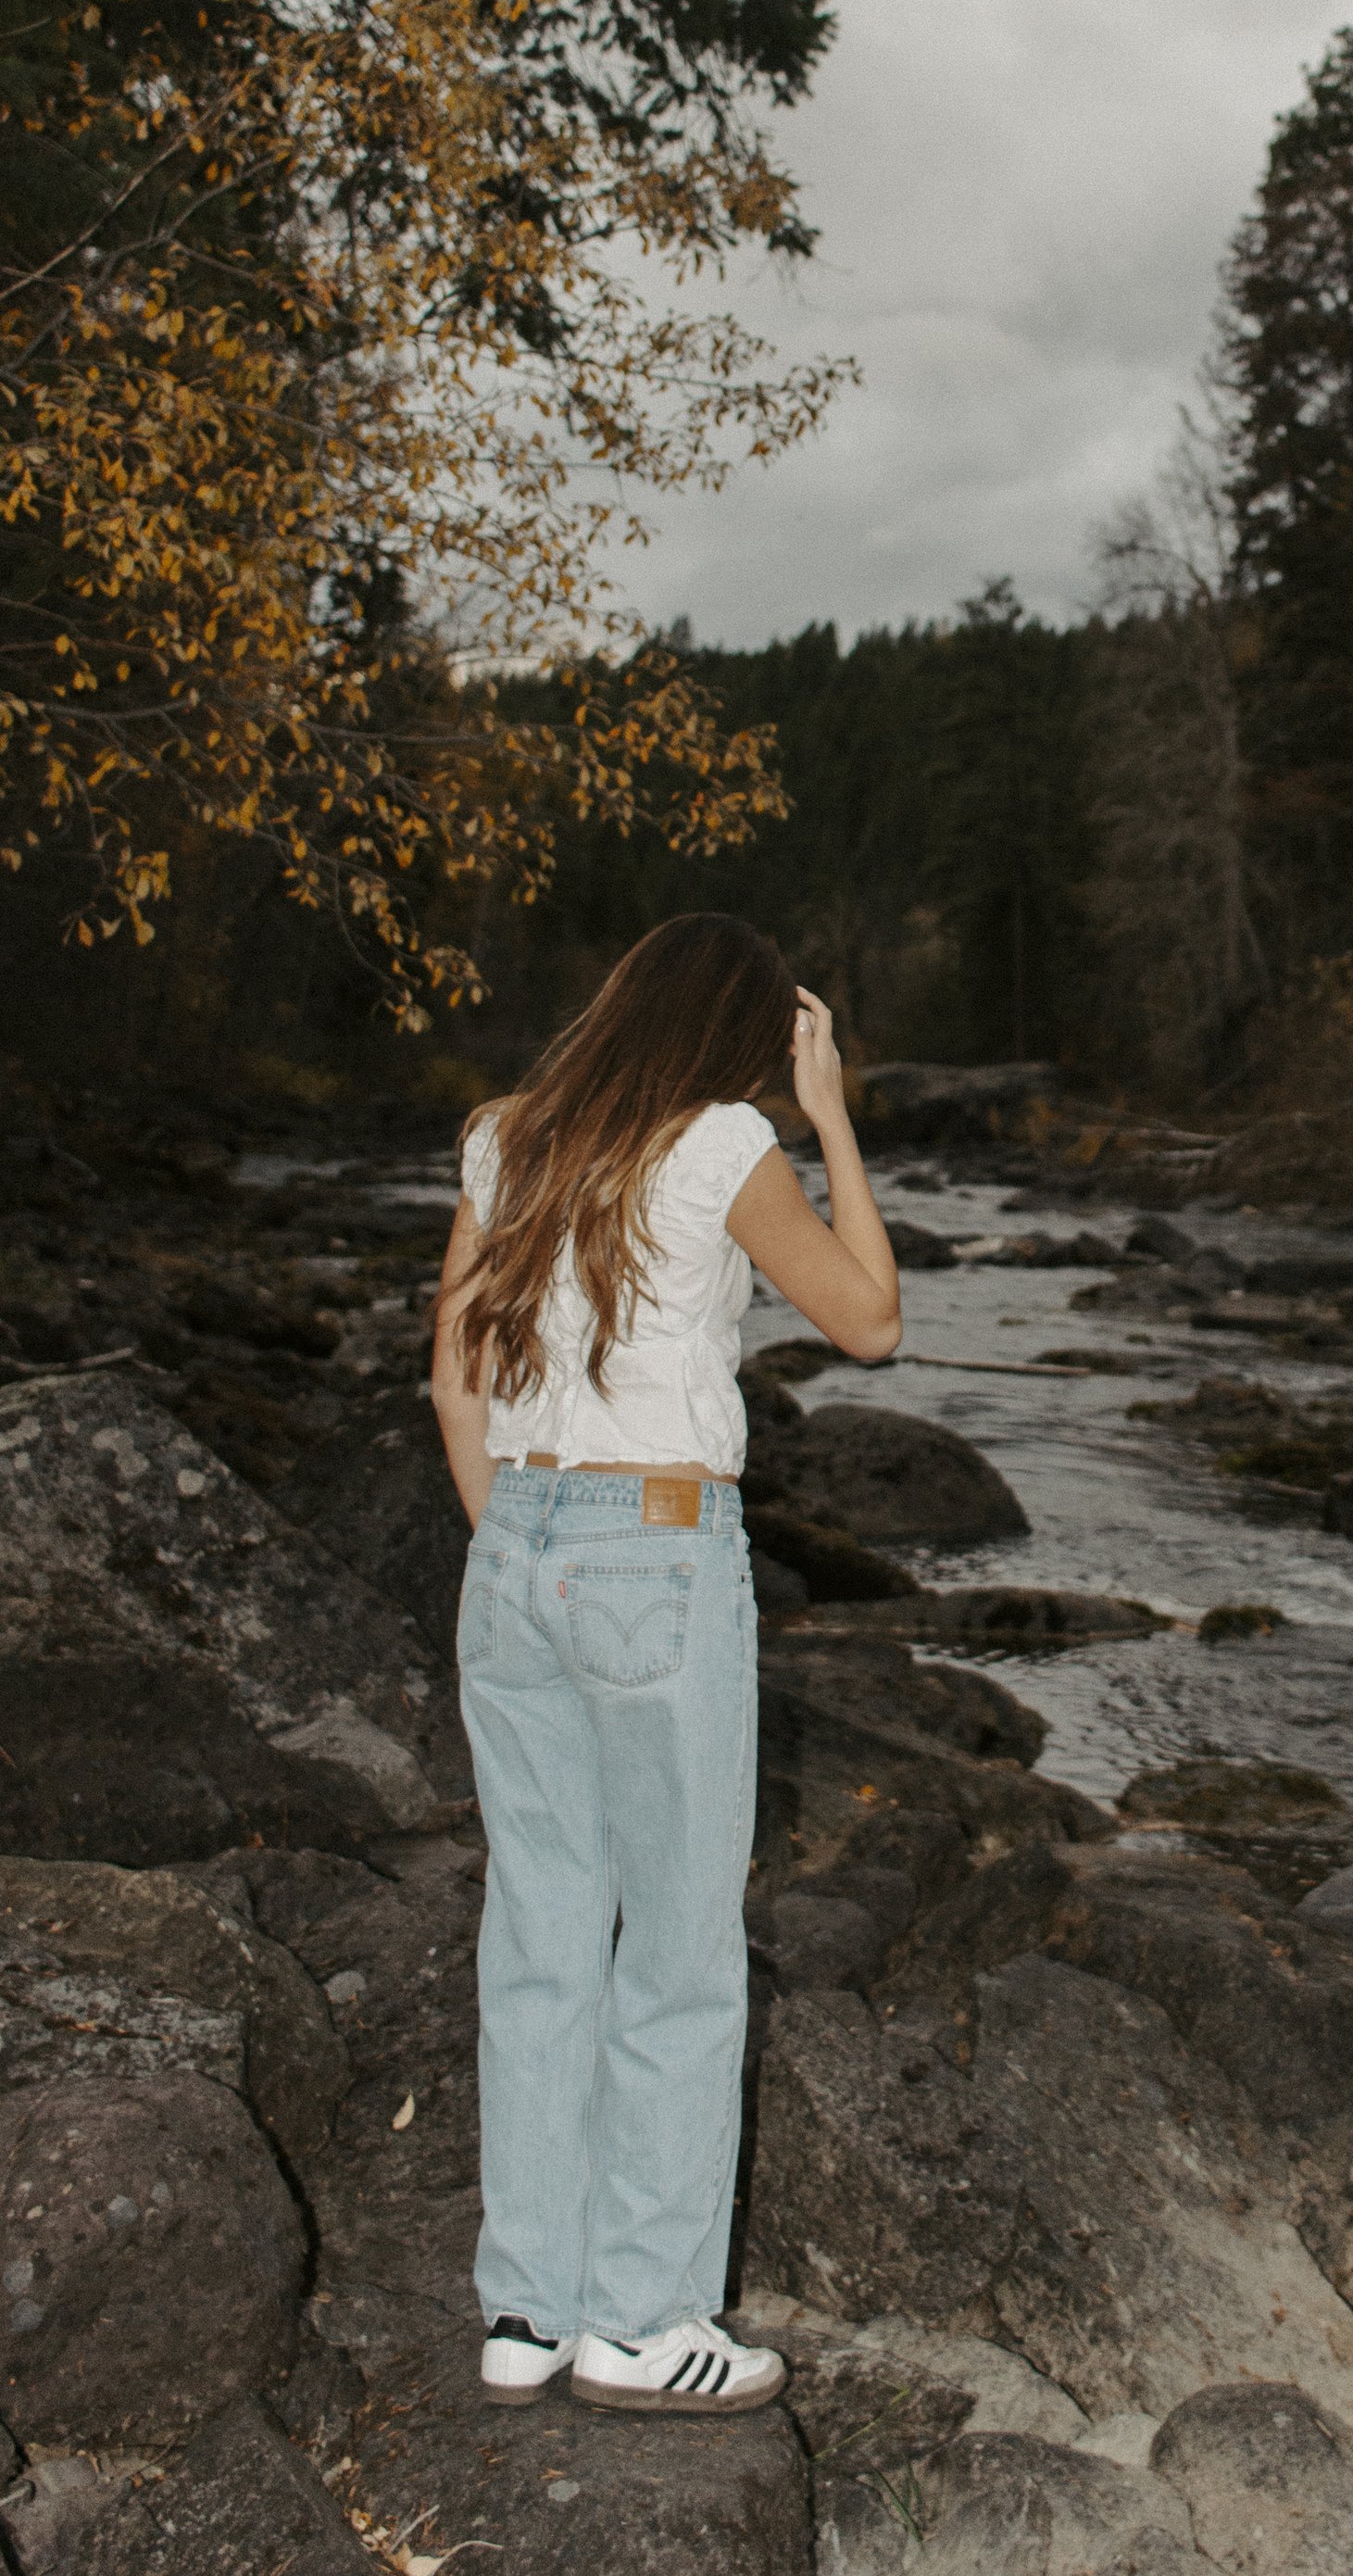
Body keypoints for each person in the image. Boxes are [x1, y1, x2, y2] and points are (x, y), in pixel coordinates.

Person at [430, 912, 900, 2416]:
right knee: (682, 1953)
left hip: (516, 1541)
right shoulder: (724, 1146)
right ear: (746, 1036)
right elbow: (872, 1320)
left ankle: (526, 2306)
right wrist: (830, 1117)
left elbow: (450, 1370)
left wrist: (522, 1540)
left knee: (543, 1931)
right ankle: (642, 2317)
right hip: (659, 1540)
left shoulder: (505, 1138)